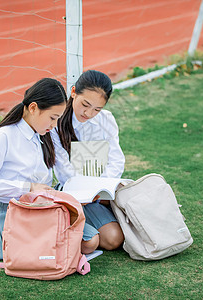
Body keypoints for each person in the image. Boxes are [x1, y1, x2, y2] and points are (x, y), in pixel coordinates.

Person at [0, 78, 67, 260]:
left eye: (58, 119)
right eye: (53, 118)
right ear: (33, 108)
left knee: (85, 241)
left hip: (36, 210)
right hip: (7, 215)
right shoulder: (3, 137)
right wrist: (28, 187)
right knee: (55, 252)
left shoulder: (42, 133)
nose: (54, 125)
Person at [52, 70, 125, 253]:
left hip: (101, 191)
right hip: (73, 192)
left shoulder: (106, 120)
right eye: (86, 104)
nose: (89, 113)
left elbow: (116, 159)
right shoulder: (57, 122)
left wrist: (103, 187)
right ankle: (65, 223)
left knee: (117, 236)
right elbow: (63, 170)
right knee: (110, 239)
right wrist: (88, 192)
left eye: (97, 109)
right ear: (74, 91)